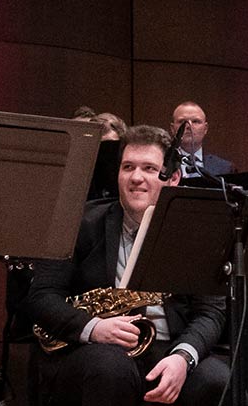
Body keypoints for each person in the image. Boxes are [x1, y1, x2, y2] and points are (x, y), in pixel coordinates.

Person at [27, 125, 230, 406]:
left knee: (218, 379)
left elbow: (210, 312)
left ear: (172, 178)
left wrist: (183, 357)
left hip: (169, 347)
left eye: (149, 168)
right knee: (110, 368)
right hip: (98, 348)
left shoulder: (195, 234)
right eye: (128, 167)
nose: (136, 177)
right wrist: (94, 327)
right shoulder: (79, 223)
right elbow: (42, 296)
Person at [171, 102, 233, 177]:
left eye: (195, 121)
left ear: (205, 129)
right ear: (172, 129)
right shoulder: (162, 165)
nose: (189, 126)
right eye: (182, 122)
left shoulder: (225, 168)